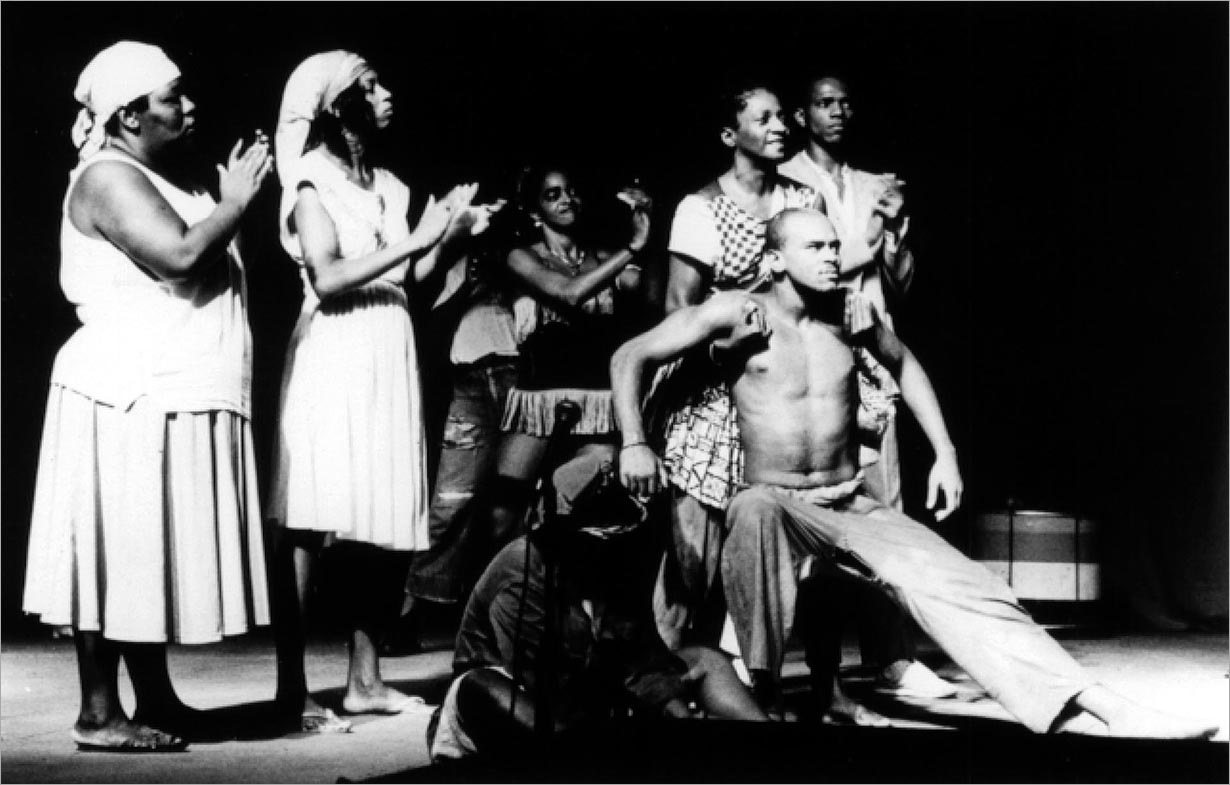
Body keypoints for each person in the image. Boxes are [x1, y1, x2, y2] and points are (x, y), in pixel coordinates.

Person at [610, 208, 1219, 739]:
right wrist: (634, 442)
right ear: (774, 259)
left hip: (847, 500)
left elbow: (906, 366)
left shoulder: (851, 313)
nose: (831, 256)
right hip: (773, 498)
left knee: (967, 585)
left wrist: (945, 453)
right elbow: (629, 355)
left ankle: (1101, 705)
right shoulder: (735, 311)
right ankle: (764, 701)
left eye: (834, 245)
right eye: (815, 246)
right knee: (754, 511)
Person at [22, 41, 274, 751]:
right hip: (125, 389)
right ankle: (99, 713)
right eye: (173, 97)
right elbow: (181, 256)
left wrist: (229, 206)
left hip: (161, 387)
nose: (189, 107)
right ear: (130, 115)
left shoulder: (158, 175)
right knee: (117, 550)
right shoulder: (107, 176)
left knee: (144, 551)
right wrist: (235, 202)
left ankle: (155, 700)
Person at [269, 50, 499, 734]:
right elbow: (329, 275)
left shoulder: (392, 187)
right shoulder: (311, 180)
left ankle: (365, 681)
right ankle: (291, 690)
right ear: (339, 107)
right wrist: (421, 239)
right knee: (312, 515)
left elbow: (411, 278)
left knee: (380, 514)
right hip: (335, 348)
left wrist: (450, 236)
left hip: (388, 349)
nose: (386, 93)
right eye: (370, 86)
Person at [779, 74, 953, 705]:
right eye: (824, 103)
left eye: (845, 102)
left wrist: (893, 226)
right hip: (812, 356)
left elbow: (898, 284)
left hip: (873, 354)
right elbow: (814, 264)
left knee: (886, 510)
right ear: (802, 114)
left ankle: (894, 657)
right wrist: (872, 228)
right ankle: (762, 660)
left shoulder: (874, 182)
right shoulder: (786, 180)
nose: (838, 112)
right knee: (801, 513)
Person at [428, 452, 767, 762]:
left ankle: (768, 743)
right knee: (483, 686)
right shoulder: (522, 569)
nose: (615, 546)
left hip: (597, 692)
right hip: (521, 698)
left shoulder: (618, 563)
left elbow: (643, 658)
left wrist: (675, 710)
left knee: (705, 660)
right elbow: (542, 683)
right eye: (602, 537)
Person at [653, 83, 818, 653]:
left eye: (782, 117)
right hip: (711, 388)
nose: (780, 127)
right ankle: (671, 677)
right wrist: (722, 348)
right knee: (694, 556)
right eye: (763, 118)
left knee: (765, 541)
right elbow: (678, 309)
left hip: (776, 387)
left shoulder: (803, 200)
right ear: (730, 135)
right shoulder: (701, 208)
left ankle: (738, 676)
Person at [485, 165, 651, 553]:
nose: (566, 200)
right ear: (534, 211)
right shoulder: (521, 257)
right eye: (552, 194)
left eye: (571, 191)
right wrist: (632, 248)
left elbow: (650, 296)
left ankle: (557, 585)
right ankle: (503, 585)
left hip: (599, 402)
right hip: (539, 400)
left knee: (580, 511)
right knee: (501, 517)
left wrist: (649, 227)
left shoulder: (603, 256)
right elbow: (569, 293)